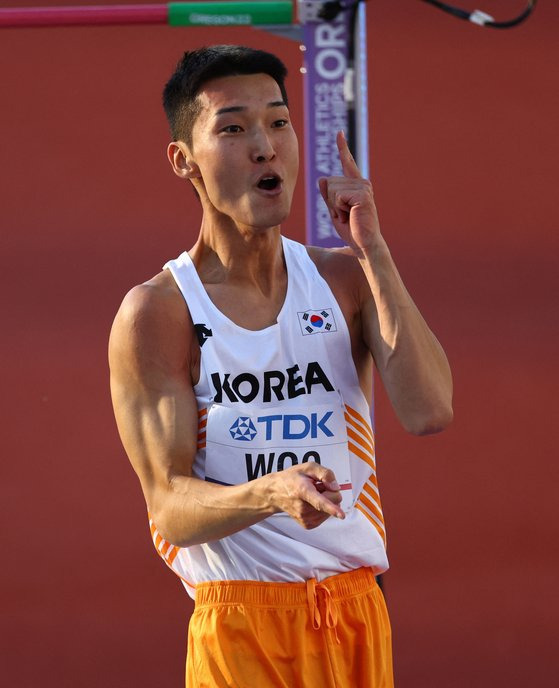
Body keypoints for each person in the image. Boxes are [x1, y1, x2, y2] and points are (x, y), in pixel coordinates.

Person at [109, 45, 453, 688]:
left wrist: (374, 251)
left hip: (356, 615)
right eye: (233, 128)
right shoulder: (159, 312)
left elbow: (430, 411)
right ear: (183, 161)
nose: (265, 146)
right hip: (241, 627)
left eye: (278, 121)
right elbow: (170, 507)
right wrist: (273, 493)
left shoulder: (343, 279)